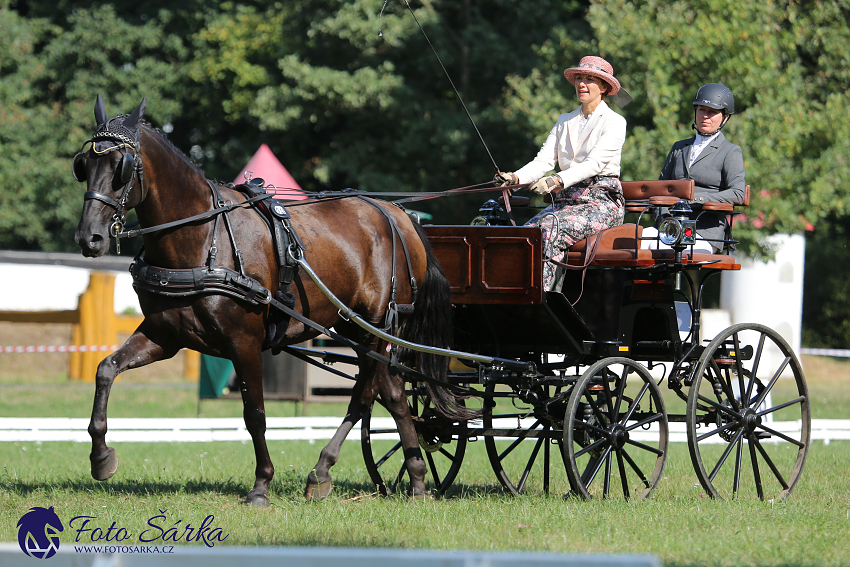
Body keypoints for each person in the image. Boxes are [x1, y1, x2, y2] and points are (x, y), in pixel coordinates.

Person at [494, 55, 628, 291]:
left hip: (601, 204)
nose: (582, 84)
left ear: (604, 87)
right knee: (523, 238)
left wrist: (557, 179)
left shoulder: (615, 122)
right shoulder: (565, 121)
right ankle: (514, 294)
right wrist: (514, 178)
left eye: (589, 79)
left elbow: (595, 163)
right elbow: (543, 161)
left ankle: (544, 299)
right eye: (579, 78)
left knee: (549, 231)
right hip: (565, 203)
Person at [646, 83, 747, 253]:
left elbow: (738, 193)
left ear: (725, 117)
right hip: (669, 227)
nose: (705, 116)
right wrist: (664, 221)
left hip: (705, 231)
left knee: (663, 249)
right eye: (702, 109)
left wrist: (697, 199)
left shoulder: (730, 151)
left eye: (712, 112)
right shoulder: (679, 147)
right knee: (632, 243)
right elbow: (660, 189)